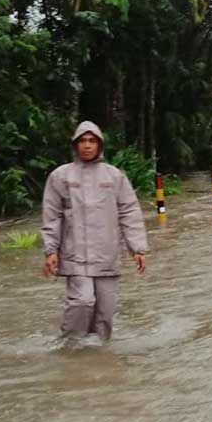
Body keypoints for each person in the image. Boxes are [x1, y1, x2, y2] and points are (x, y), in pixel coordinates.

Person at [40, 121, 148, 342]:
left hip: (106, 255)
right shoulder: (61, 176)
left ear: (100, 145)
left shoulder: (114, 177)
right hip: (74, 254)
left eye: (92, 141)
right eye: (83, 141)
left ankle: (98, 359)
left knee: (105, 313)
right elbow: (52, 216)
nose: (87, 146)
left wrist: (137, 248)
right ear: (75, 145)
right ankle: (69, 347)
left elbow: (129, 212)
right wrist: (50, 250)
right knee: (82, 301)